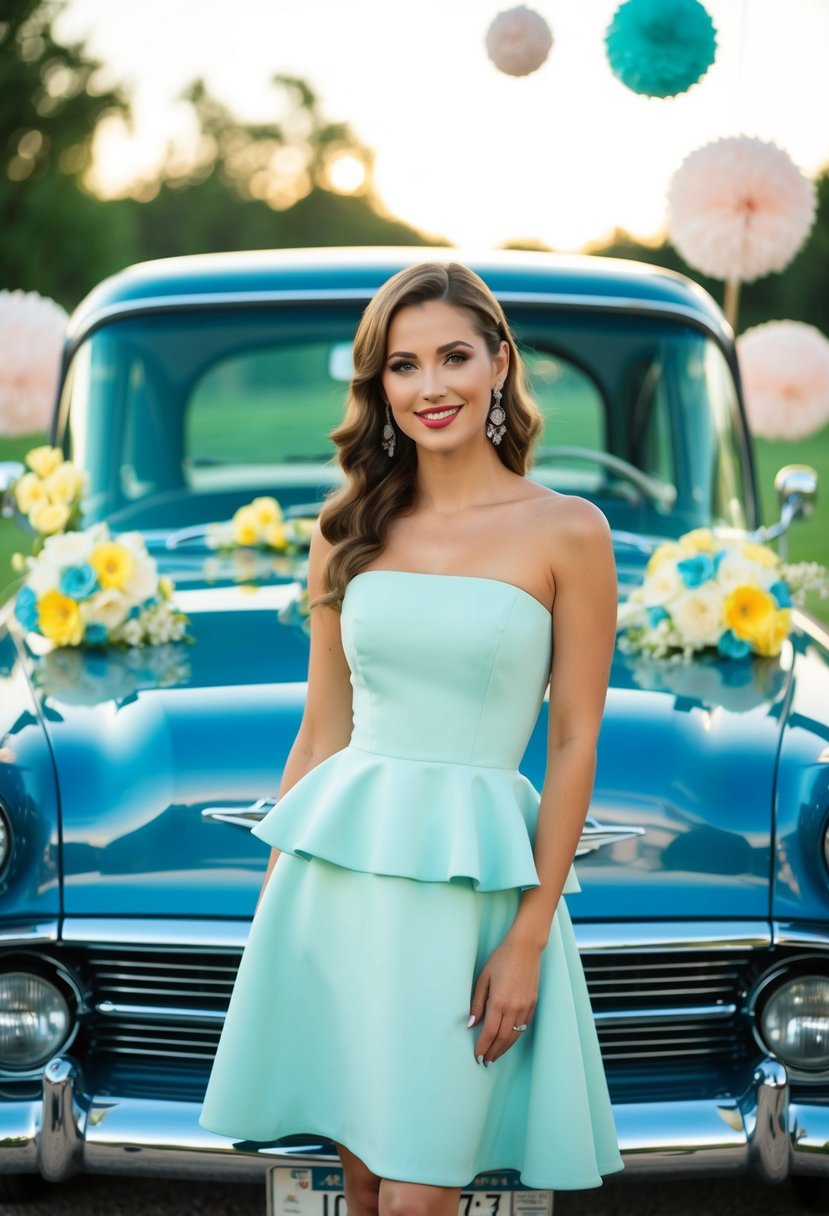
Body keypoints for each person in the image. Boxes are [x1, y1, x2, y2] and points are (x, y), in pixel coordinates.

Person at [198, 260, 624, 1213]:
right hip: (340, 889)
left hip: (473, 899)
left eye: (454, 357)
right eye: (402, 366)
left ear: (500, 363)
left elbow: (572, 745)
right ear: (378, 385)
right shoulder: (349, 523)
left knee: (418, 1196)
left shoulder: (568, 532)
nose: (431, 388)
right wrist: (278, 904)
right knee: (359, 1185)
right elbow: (324, 729)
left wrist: (527, 938)